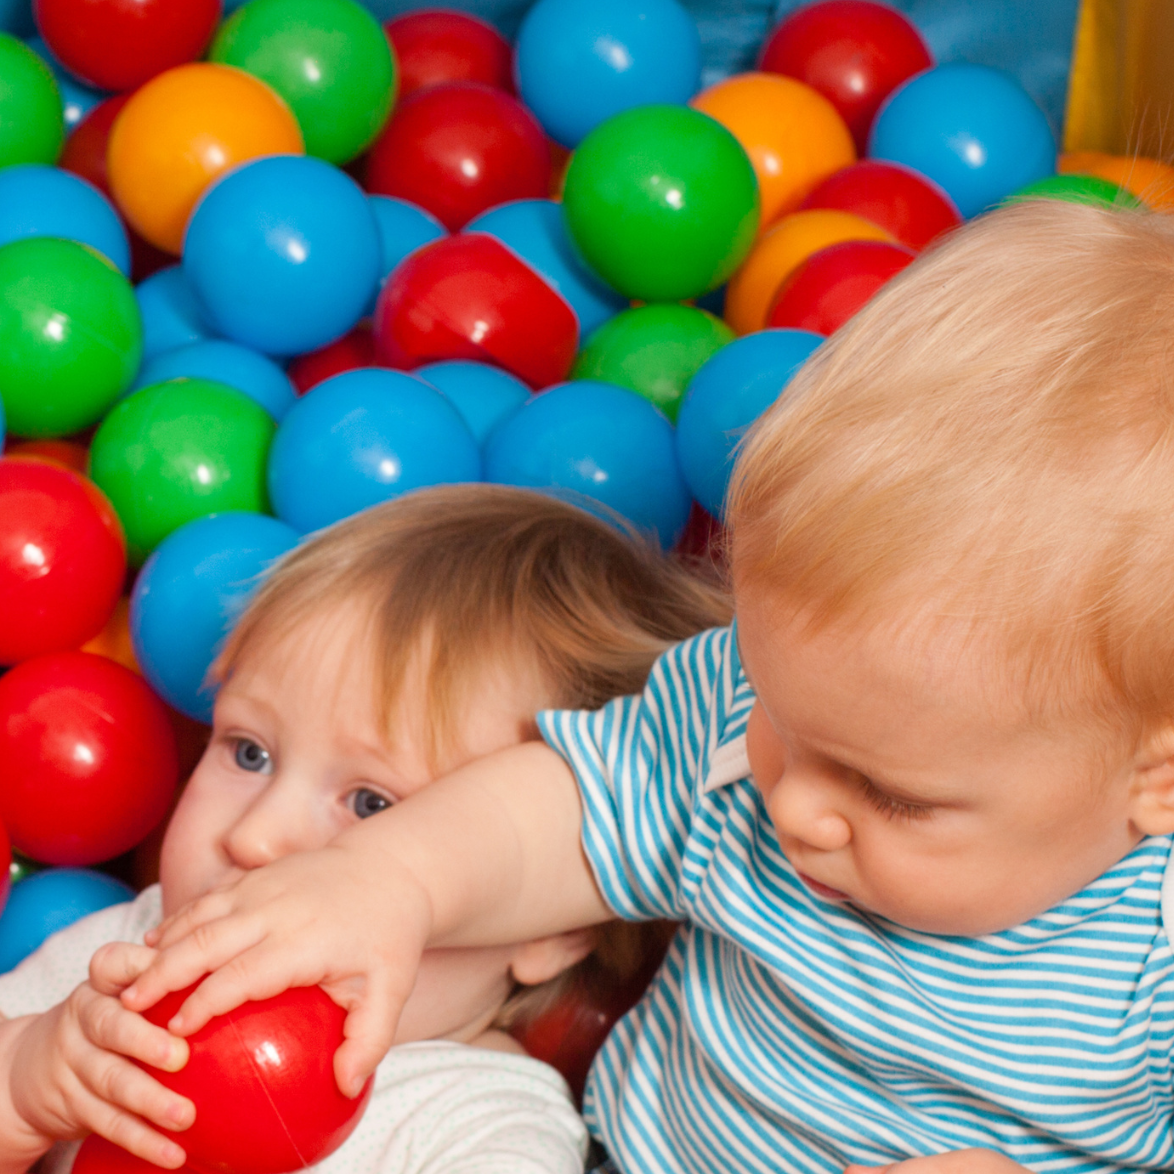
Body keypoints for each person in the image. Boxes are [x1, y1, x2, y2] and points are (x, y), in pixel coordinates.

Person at [121, 198, 1174, 1174]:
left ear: (1154, 772)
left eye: (888, 793)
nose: (792, 804)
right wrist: (391, 879)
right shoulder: (748, 721)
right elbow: (566, 813)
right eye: (775, 706)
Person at [0, 485, 730, 1174]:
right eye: (248, 752)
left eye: (373, 806)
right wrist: (27, 1078)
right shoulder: (129, 954)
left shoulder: (480, 1126)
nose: (255, 838)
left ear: (554, 923)